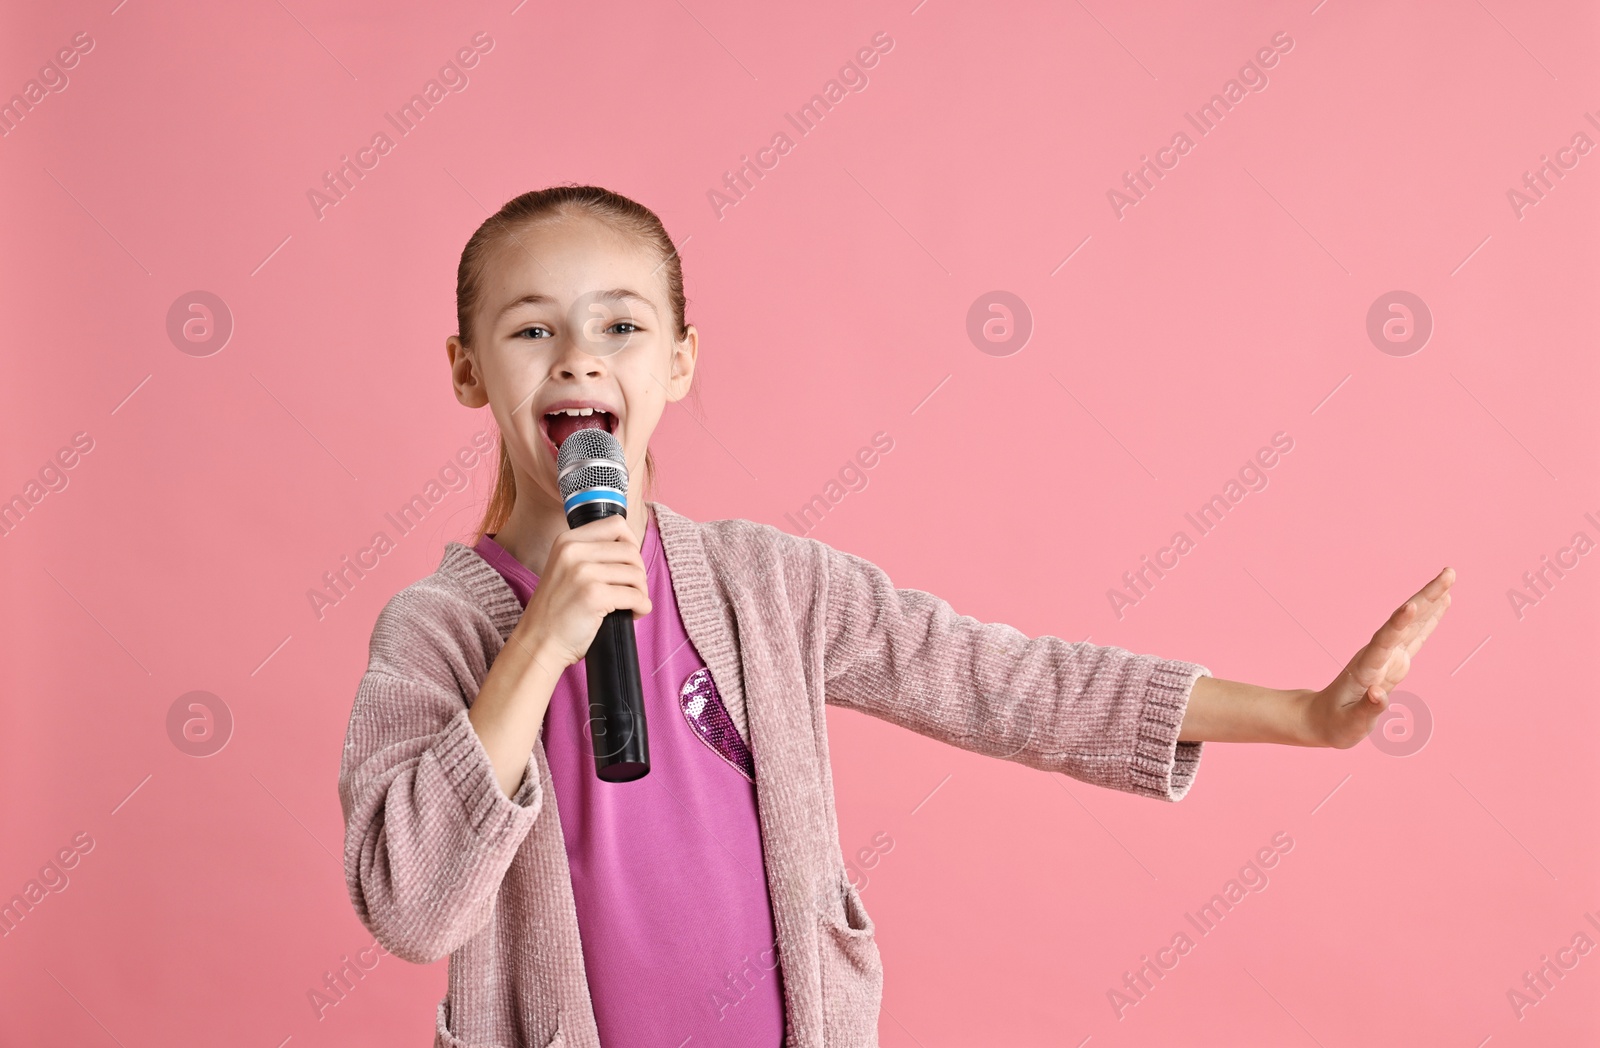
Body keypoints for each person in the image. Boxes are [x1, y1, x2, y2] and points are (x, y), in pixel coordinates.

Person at [336, 185, 1455, 1048]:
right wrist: (540, 643)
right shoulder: (435, 632)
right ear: (467, 369)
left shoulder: (764, 584)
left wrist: (1303, 714)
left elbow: (1001, 680)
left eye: (621, 326)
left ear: (678, 363)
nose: (579, 353)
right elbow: (410, 908)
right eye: (533, 330)